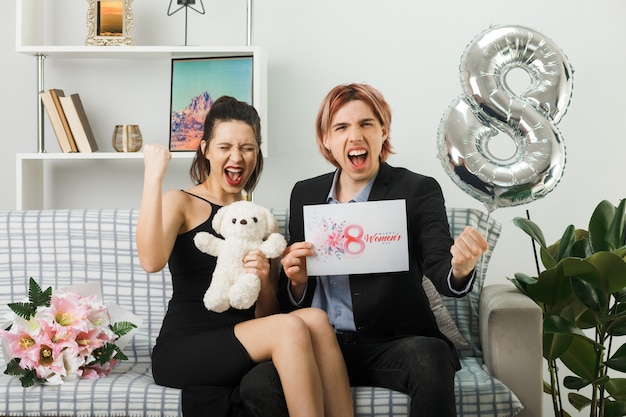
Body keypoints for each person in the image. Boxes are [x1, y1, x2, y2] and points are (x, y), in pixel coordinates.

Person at [277, 83, 490, 417]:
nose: (355, 136)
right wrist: (297, 281)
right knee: (257, 383)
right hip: (321, 345)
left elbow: (441, 268)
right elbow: (294, 294)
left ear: (383, 131)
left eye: (366, 124)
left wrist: (460, 267)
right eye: (341, 127)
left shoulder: (417, 189)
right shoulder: (305, 194)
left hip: (393, 344)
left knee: (428, 355)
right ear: (326, 140)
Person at [136, 96, 354, 417]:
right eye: (225, 147)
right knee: (290, 328)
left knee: (317, 321)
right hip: (186, 346)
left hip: (244, 338)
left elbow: (268, 314)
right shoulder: (180, 202)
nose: (236, 157)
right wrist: (153, 176)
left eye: (247, 148)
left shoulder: (262, 220)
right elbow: (150, 261)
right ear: (206, 149)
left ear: (257, 153)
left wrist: (266, 279)